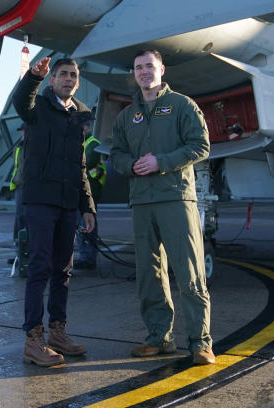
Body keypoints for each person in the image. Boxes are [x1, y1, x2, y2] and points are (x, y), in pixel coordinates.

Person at [110, 49, 215, 365]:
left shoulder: (182, 105)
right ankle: (159, 338)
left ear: (161, 70)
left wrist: (161, 162)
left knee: (189, 273)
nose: (144, 71)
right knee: (149, 274)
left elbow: (201, 146)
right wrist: (132, 166)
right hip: (142, 201)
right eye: (139, 67)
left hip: (175, 198)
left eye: (149, 66)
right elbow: (116, 154)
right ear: (135, 72)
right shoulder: (127, 116)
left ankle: (200, 342)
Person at [13, 56, 96, 367]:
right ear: (52, 80)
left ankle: (58, 331)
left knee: (63, 270)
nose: (69, 79)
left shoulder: (79, 116)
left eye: (73, 75)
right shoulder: (38, 108)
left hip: (66, 202)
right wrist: (32, 77)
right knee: (40, 267)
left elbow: (81, 165)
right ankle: (33, 339)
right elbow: (20, 100)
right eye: (63, 74)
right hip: (39, 201)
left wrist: (86, 206)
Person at [74, 121, 104, 270]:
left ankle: (88, 257)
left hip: (90, 190)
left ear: (85, 127)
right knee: (80, 224)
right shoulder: (82, 143)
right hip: (82, 189)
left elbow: (87, 162)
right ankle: (85, 255)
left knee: (86, 223)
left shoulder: (93, 142)